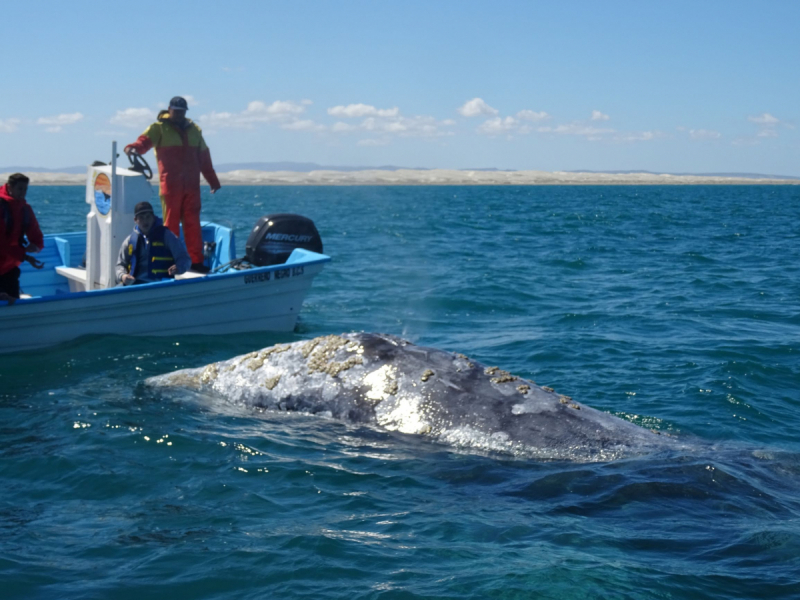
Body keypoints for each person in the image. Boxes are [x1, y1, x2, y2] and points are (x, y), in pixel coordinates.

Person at [124, 96, 221, 273]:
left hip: (192, 187)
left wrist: (213, 181)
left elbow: (204, 158)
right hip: (171, 187)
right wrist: (134, 148)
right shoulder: (158, 128)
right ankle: (170, 262)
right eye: (176, 110)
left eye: (182, 111)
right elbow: (144, 141)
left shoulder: (195, 130)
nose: (179, 114)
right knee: (170, 225)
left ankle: (195, 262)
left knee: (193, 225)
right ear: (169, 110)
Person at [116, 201, 191, 286]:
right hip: (135, 285)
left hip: (161, 285)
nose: (145, 221)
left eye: (148, 217)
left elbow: (185, 259)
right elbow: (120, 265)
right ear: (135, 220)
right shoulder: (129, 241)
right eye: (141, 217)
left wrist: (179, 267)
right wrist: (123, 276)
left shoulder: (167, 236)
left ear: (153, 217)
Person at [0, 173, 44, 303]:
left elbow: (37, 237)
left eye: (25, 189)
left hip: (10, 268)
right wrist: (23, 255)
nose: (23, 193)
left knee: (13, 304)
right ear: (9, 187)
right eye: (20, 189)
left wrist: (34, 249)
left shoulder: (25, 209)